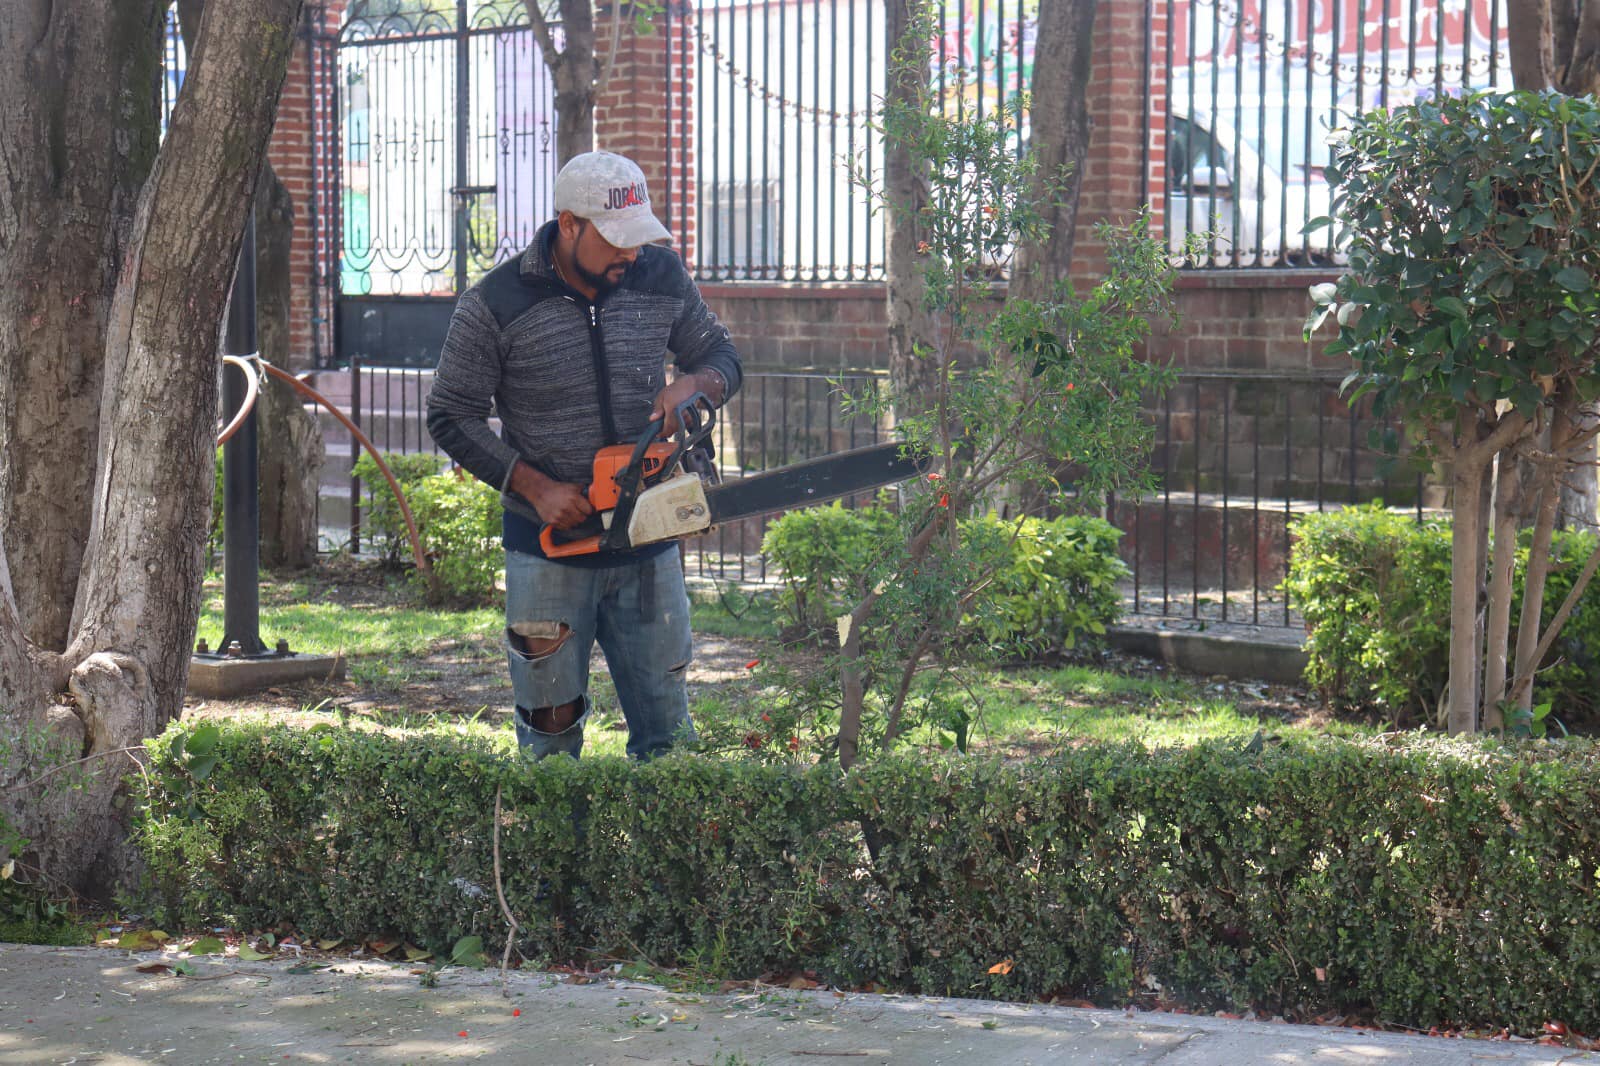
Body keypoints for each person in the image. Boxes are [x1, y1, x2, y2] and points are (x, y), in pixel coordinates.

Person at [426, 151, 743, 760]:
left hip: (649, 546)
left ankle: (663, 856)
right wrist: (533, 486)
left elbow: (720, 354)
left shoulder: (660, 276)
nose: (630, 253)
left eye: (638, 237)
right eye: (616, 239)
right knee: (549, 744)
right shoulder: (495, 302)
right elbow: (451, 414)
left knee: (670, 742)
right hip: (547, 555)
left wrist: (697, 385)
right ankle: (557, 857)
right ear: (569, 225)